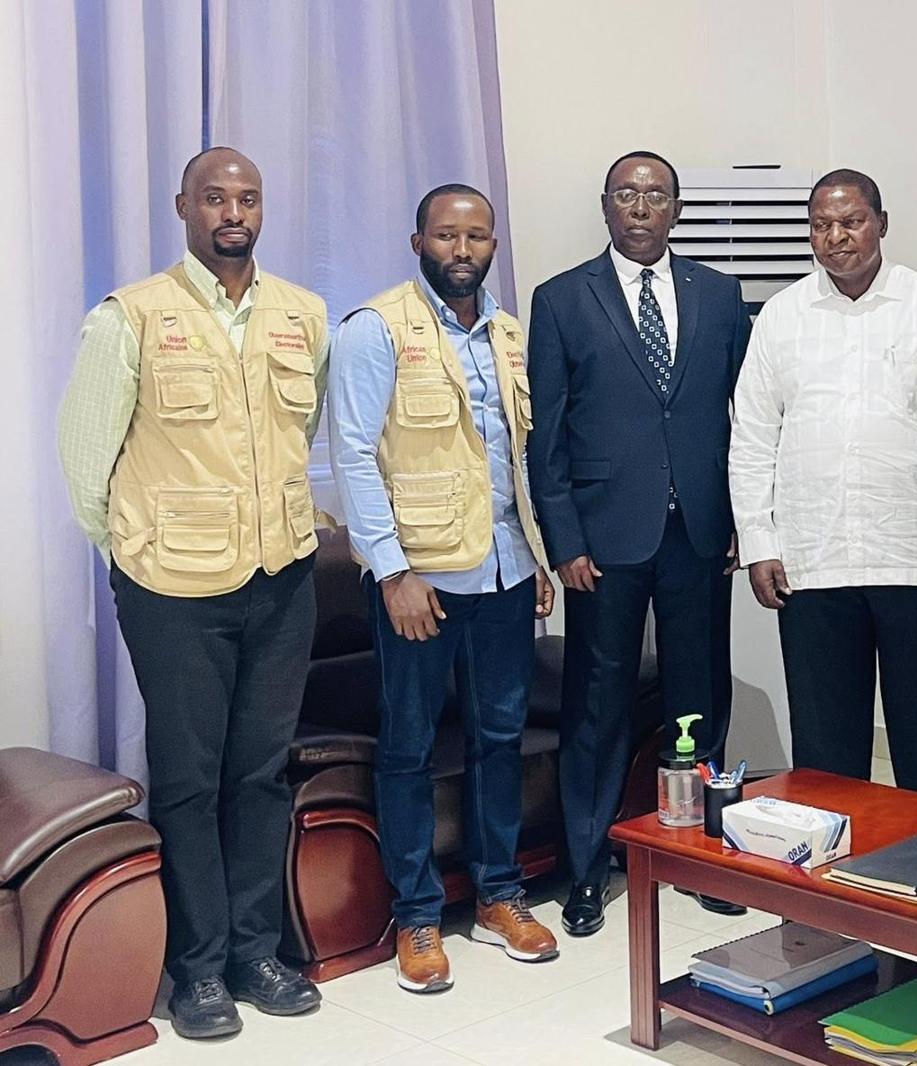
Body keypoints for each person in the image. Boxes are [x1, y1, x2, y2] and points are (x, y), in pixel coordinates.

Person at [55, 147, 325, 1037]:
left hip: (281, 577)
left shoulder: (303, 314)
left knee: (260, 774)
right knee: (188, 779)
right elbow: (85, 458)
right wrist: (132, 552)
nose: (232, 212)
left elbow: (303, 431)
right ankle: (199, 970)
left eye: (247, 197)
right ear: (184, 208)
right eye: (215, 197)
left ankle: (257, 953)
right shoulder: (130, 316)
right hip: (172, 589)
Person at [329, 184, 560, 994]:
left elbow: (516, 460)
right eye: (446, 236)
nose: (462, 251)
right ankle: (417, 915)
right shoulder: (376, 328)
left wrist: (534, 556)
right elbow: (353, 454)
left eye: (477, 237)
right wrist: (392, 571)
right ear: (417, 242)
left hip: (503, 570)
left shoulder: (508, 333)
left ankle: (499, 895)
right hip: (420, 579)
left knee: (500, 735)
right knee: (410, 746)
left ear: (493, 244)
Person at [526, 151, 752, 936]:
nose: (641, 207)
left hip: (699, 531)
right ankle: (587, 869)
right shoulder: (561, 298)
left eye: (656, 195)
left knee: (699, 701)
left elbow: (746, 417)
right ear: (606, 206)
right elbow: (546, 436)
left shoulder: (719, 295)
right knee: (598, 706)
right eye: (627, 194)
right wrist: (563, 539)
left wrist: (743, 520)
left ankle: (698, 855)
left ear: (677, 209)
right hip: (602, 540)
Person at [730, 168, 917, 799]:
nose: (836, 237)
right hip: (812, 560)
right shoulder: (781, 315)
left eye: (851, 221)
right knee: (826, 756)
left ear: (881, 224)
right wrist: (759, 541)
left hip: (916, 555)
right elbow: (752, 436)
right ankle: (829, 863)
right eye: (821, 225)